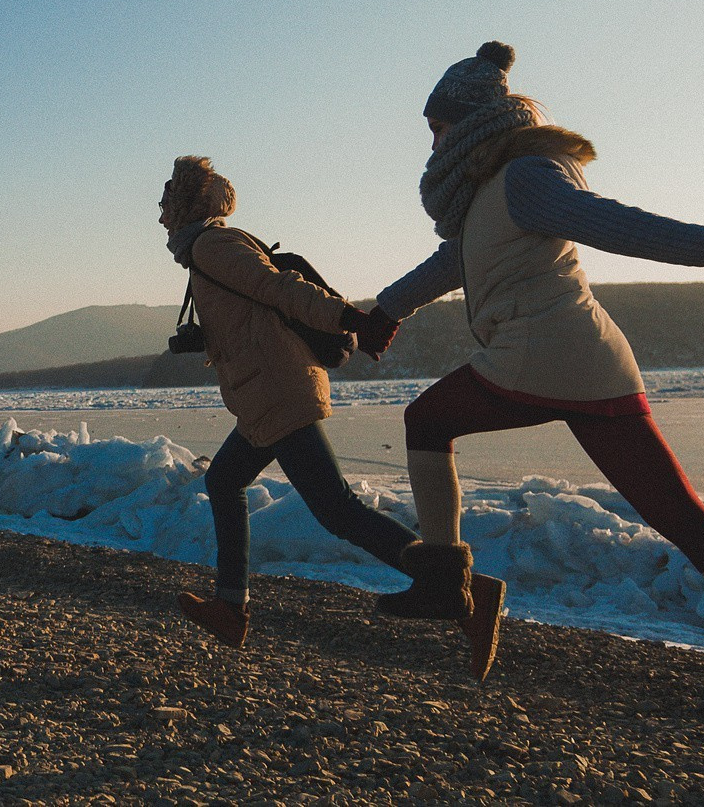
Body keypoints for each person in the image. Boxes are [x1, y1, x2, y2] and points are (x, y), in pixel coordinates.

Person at [355, 42, 704, 776]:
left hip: (543, 350)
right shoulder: (489, 195)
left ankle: (444, 578)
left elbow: (612, 222)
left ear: (471, 120)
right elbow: (450, 265)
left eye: (437, 125)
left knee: (427, 420)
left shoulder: (527, 172)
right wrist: (385, 310)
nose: (432, 141)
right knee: (684, 517)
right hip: (592, 363)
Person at [160, 155, 497, 658]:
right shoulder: (206, 250)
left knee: (337, 509)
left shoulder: (214, 245)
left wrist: (353, 321)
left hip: (278, 392)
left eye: (168, 192)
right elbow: (255, 312)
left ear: (189, 200)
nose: (159, 203)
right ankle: (230, 608)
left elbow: (283, 289)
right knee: (225, 480)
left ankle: (454, 584)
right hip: (263, 394)